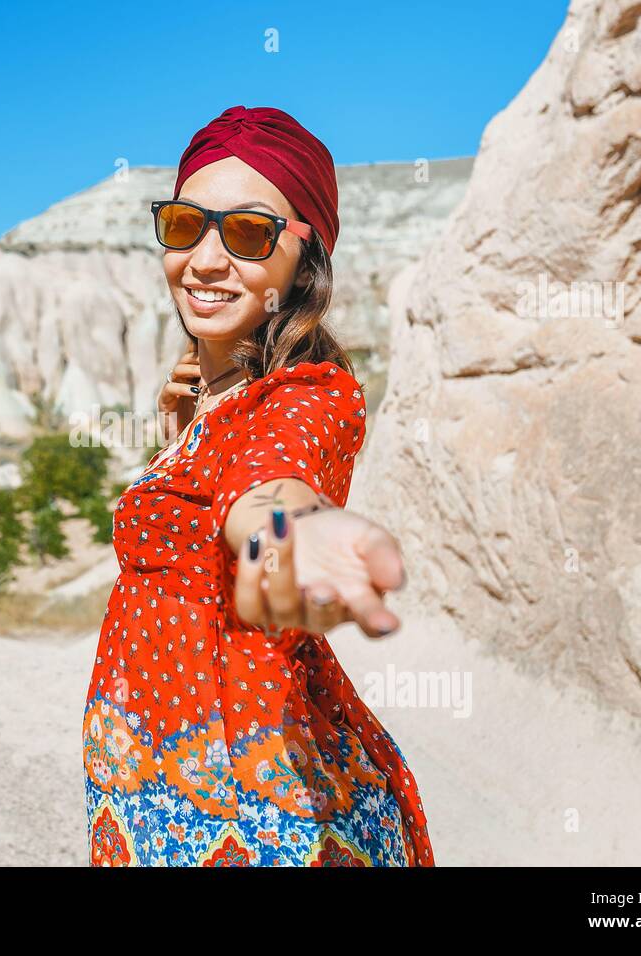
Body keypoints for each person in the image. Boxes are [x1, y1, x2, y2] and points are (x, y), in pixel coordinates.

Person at [81, 105, 435, 867]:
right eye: (185, 224)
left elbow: (267, 486)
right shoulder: (216, 397)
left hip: (251, 812)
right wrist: (179, 430)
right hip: (153, 790)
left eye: (247, 233)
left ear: (303, 259)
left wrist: (293, 536)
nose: (206, 259)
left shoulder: (310, 395)